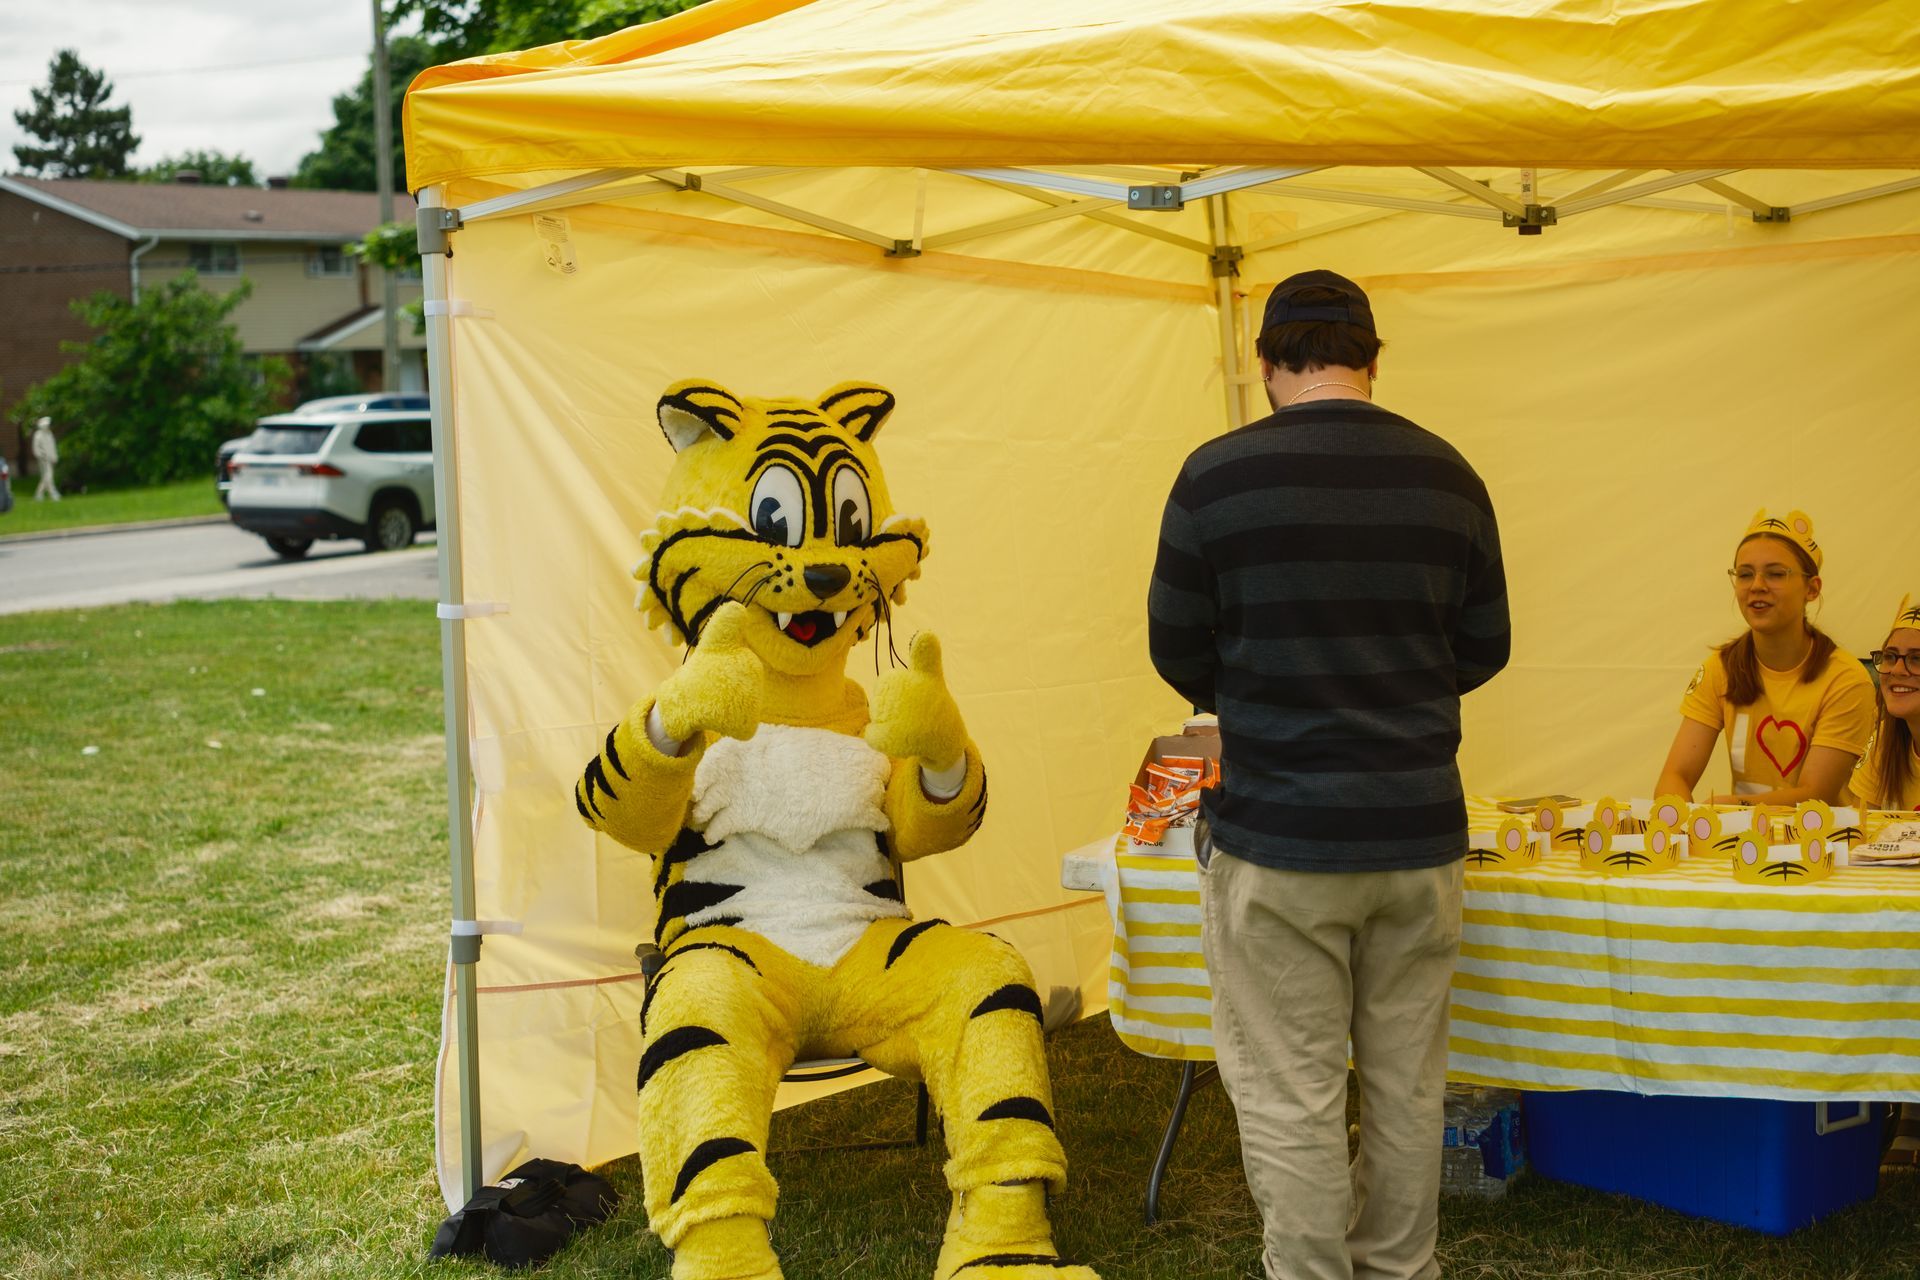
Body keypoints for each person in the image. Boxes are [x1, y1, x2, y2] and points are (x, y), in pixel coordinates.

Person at [1148, 269, 1509, 1280]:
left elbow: (1177, 645)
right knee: (1406, 1081)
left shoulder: (1213, 477)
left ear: (1266, 366)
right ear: (1373, 359)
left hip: (1279, 834)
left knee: (1288, 1087)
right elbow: (1485, 644)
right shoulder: (1449, 475)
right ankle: (1400, 1268)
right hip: (1417, 830)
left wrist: (1266, 690)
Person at [1653, 510, 1874, 806]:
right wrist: (1678, 815)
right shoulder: (1721, 667)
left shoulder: (1846, 679)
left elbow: (1814, 795)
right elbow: (1674, 776)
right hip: (1745, 847)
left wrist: (1723, 808)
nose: (1757, 585)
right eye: (1745, 574)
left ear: (1812, 589)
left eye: (1775, 573)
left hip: (1823, 846)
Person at [1849, 594, 1920, 812]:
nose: (1897, 670)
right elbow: (1859, 832)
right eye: (1890, 656)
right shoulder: (1884, 741)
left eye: (1917, 659)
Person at [30, 417, 60, 502]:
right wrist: (42, 456)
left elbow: (52, 447)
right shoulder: (38, 435)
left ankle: (39, 494)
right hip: (43, 460)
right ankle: (53, 493)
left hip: (50, 458)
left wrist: (54, 456)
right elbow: (36, 448)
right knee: (48, 476)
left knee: (47, 477)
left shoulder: (49, 434)